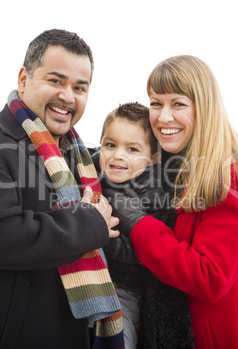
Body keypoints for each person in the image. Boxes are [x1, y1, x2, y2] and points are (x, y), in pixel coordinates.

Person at [0, 29, 124, 349]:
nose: (68, 97)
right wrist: (90, 223)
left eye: (79, 87)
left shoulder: (87, 160)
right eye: (56, 81)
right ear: (23, 79)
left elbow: (146, 173)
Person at [108, 55, 238, 348]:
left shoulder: (233, 177)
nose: (163, 116)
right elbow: (112, 154)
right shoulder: (171, 165)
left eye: (178, 104)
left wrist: (137, 222)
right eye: (155, 103)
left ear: (204, 107)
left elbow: (210, 278)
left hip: (219, 340)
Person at [93, 102, 163, 348]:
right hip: (92, 281)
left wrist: (101, 238)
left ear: (153, 159)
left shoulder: (152, 191)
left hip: (125, 290)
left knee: (118, 339)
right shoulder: (92, 170)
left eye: (132, 149)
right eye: (110, 145)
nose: (118, 155)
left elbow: (143, 252)